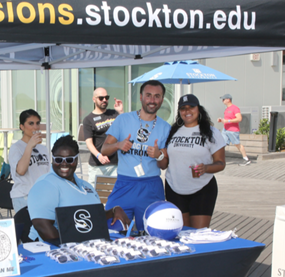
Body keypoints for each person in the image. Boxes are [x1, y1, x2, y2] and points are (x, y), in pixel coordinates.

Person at [99, 80, 171, 233]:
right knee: (112, 229)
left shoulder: (165, 127)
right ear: (141, 97)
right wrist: (118, 145)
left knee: (153, 234)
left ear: (162, 99)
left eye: (157, 96)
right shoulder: (123, 119)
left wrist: (158, 155)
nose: (152, 100)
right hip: (124, 185)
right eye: (148, 95)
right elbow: (104, 149)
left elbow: (164, 165)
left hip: (151, 187)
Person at [28, 135, 129, 243]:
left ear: (76, 159)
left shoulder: (86, 185)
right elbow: (43, 227)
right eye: (58, 159)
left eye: (69, 159)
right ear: (52, 159)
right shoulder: (45, 184)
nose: (64, 163)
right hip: (57, 251)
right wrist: (74, 249)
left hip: (90, 246)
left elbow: (94, 216)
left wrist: (114, 210)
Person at [163, 94, 226, 229]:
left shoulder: (211, 133)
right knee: (181, 233)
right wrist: (158, 156)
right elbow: (165, 162)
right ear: (179, 112)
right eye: (183, 108)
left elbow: (221, 163)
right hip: (174, 188)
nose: (187, 111)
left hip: (202, 189)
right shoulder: (173, 131)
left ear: (199, 109)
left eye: (191, 107)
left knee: (199, 235)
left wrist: (206, 168)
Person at [8, 109, 50, 213]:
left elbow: (48, 172)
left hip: (43, 196)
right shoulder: (16, 148)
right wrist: (30, 145)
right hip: (24, 196)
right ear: (22, 126)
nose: (35, 127)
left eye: (37, 123)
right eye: (31, 123)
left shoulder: (43, 148)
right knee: (27, 228)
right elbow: (21, 171)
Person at [82, 87, 124, 184]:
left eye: (106, 97)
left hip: (115, 163)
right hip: (98, 165)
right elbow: (89, 143)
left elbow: (126, 128)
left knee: (115, 195)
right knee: (97, 196)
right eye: (101, 98)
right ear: (94, 99)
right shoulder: (88, 119)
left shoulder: (114, 114)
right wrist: (99, 156)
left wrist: (120, 112)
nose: (104, 100)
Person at [217, 93, 250, 166]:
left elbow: (239, 118)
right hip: (225, 129)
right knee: (221, 144)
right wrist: (221, 120)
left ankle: (246, 159)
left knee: (237, 145)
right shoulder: (227, 109)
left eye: (223, 99)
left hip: (233, 130)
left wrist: (227, 121)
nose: (222, 101)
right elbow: (227, 119)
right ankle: (218, 159)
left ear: (228, 100)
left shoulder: (235, 108)